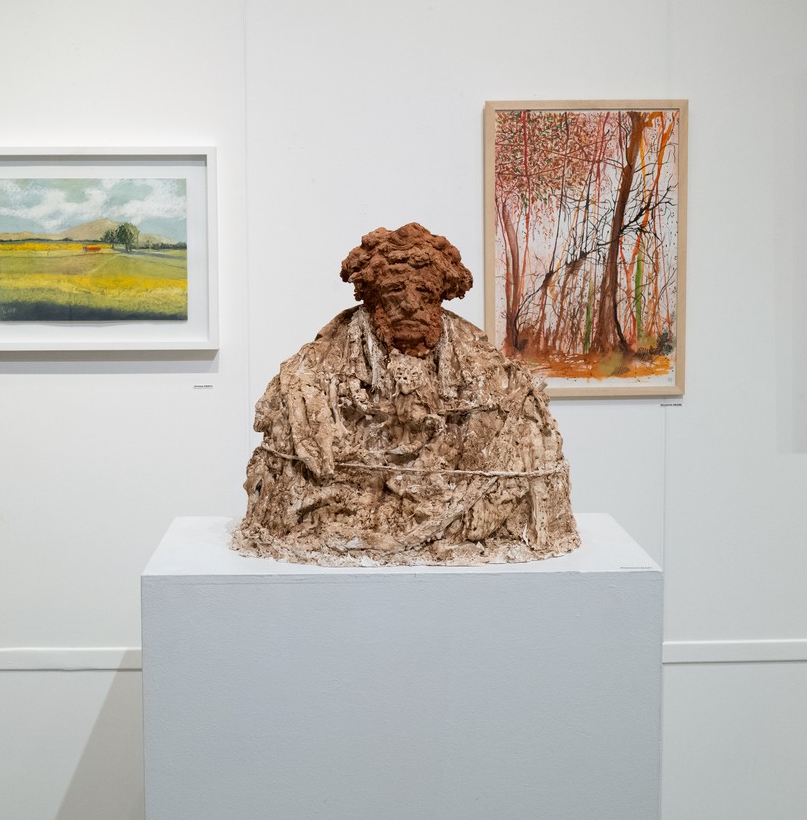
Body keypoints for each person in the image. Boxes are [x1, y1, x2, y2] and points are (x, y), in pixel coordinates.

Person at [233, 222, 578, 565]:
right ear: (375, 296)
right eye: (396, 290)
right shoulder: (322, 361)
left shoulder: (480, 362)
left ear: (439, 297)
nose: (411, 304)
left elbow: (515, 413)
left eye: (424, 293)